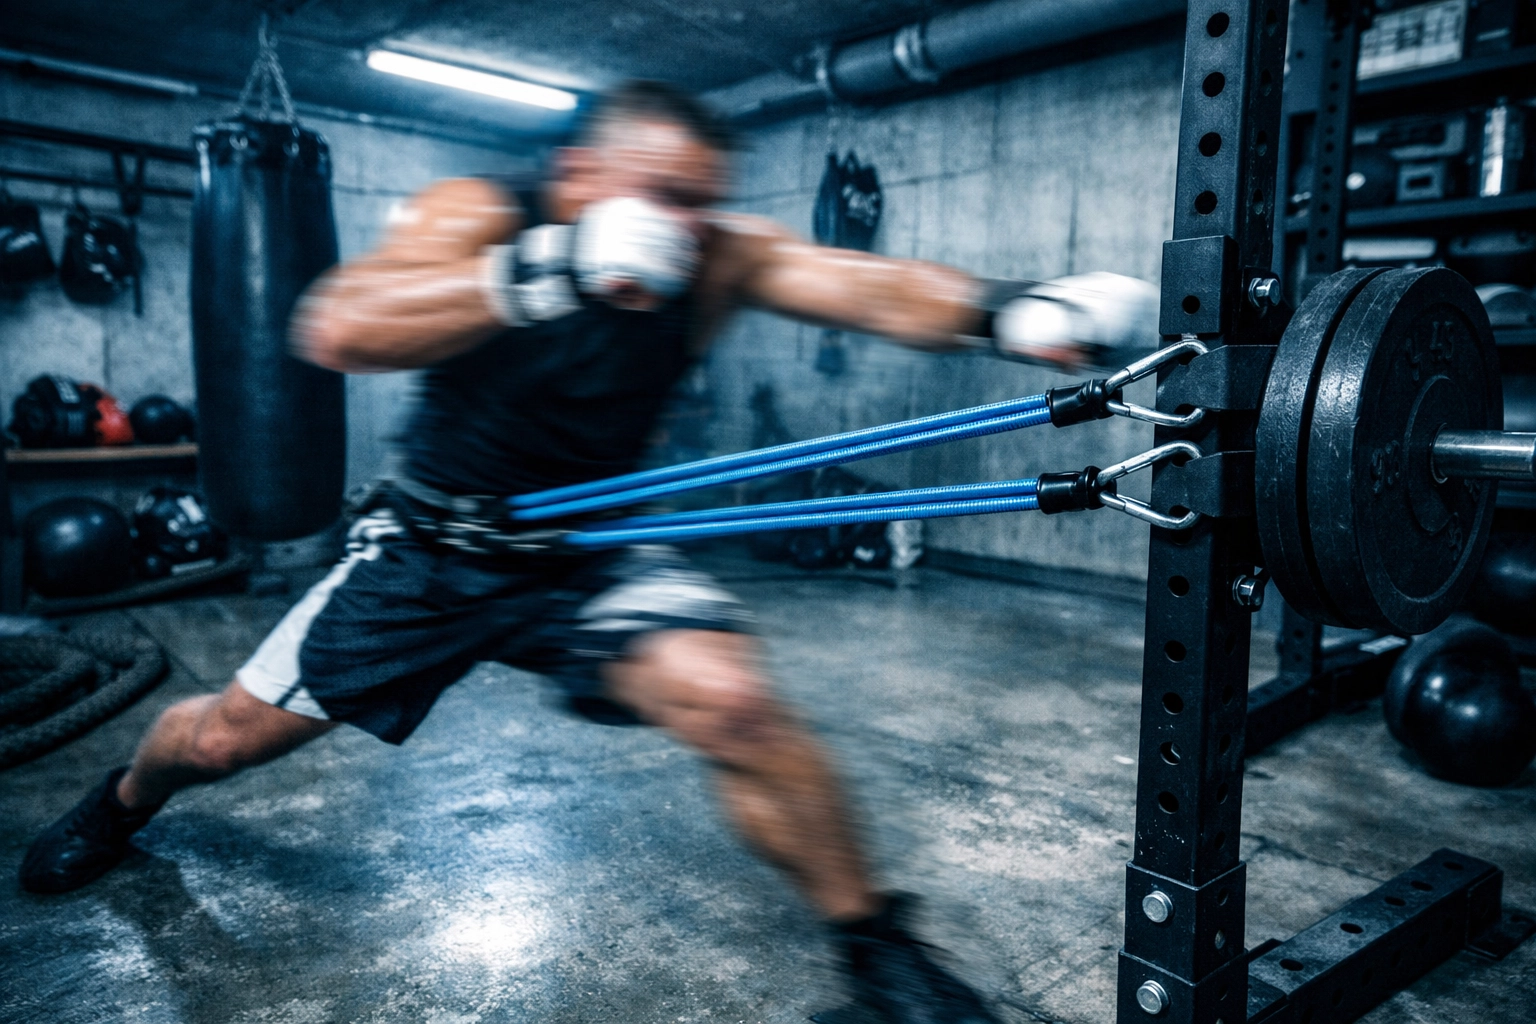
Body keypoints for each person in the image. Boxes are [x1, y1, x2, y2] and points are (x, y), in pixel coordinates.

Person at [20, 80, 1154, 1024]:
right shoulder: (481, 214)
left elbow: (865, 281)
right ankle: (124, 796)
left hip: (589, 545)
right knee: (221, 738)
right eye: (660, 197)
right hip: (430, 552)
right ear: (576, 177)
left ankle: (881, 963)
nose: (685, 225)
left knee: (736, 700)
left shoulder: (715, 256)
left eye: (701, 203)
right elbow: (337, 323)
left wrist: (1012, 307)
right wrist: (552, 268)